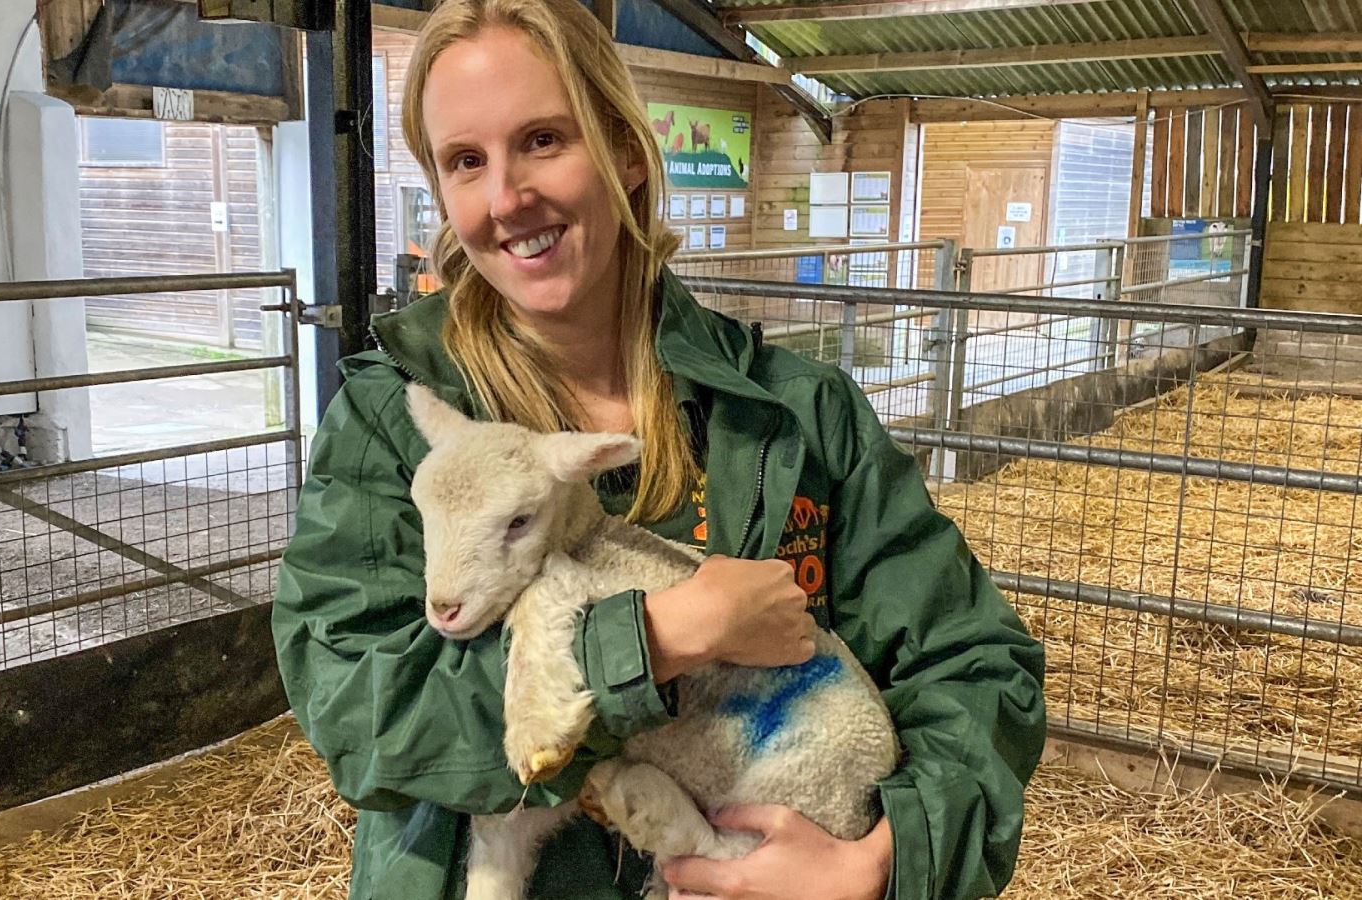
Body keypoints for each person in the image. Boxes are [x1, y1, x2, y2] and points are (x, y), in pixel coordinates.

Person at [271, 1, 1046, 898]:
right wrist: (658, 640)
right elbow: (359, 708)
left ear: (626, 153)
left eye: (544, 140)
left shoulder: (791, 415)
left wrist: (876, 865)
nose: (506, 198)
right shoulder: (397, 426)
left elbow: (975, 668)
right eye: (465, 161)